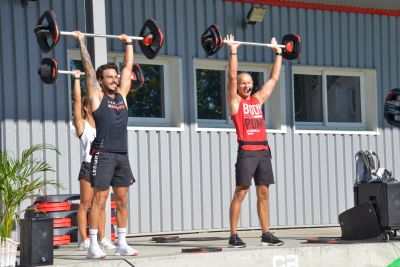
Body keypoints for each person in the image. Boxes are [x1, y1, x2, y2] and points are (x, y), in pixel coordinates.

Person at [74, 32, 137, 259]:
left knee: (122, 200)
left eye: (115, 76)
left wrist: (128, 43)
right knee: (99, 201)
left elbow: (128, 68)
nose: (114, 79)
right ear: (101, 80)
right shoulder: (97, 97)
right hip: (103, 153)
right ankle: (92, 245)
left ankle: (121, 242)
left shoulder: (122, 95)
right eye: (109, 77)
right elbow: (89, 71)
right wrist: (81, 42)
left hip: (122, 154)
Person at [225, 34, 284, 248]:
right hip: (247, 152)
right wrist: (233, 51)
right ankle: (233, 236)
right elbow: (231, 77)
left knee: (264, 193)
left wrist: (278, 53)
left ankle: (266, 234)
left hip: (263, 152)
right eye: (243, 83)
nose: (246, 86)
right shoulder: (235, 103)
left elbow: (274, 79)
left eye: (249, 83)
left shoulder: (257, 100)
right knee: (241, 192)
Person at [71, 70, 116, 252]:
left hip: (104, 166)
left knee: (102, 204)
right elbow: (76, 102)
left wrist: (99, 81)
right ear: (86, 108)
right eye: (90, 104)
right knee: (86, 204)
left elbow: (104, 94)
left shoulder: (103, 122)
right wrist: (76, 80)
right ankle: (84, 239)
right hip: (89, 166)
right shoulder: (82, 125)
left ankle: (102, 238)